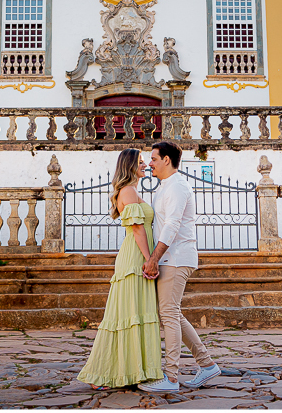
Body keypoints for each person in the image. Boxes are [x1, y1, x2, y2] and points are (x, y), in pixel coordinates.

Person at [77, 148, 164, 389]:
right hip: (136, 257)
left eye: (146, 162)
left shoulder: (132, 190)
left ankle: (135, 370)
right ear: (130, 165)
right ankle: (104, 372)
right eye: (141, 162)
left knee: (135, 313)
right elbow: (137, 229)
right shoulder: (128, 191)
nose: (145, 165)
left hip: (139, 255)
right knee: (125, 314)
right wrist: (150, 259)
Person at [139, 141, 221, 393]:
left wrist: (154, 257)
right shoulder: (166, 187)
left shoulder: (177, 186)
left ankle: (172, 378)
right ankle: (206, 365)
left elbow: (172, 225)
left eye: (153, 158)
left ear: (166, 159)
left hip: (175, 258)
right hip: (171, 258)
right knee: (173, 313)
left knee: (169, 315)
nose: (150, 163)